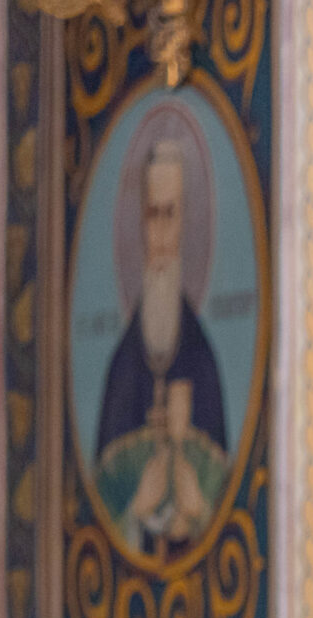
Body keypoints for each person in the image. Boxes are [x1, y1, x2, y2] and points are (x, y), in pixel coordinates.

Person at [95, 141, 229, 473]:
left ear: (183, 222)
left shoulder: (203, 360)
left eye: (170, 214)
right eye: (153, 215)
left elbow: (217, 474)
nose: (161, 232)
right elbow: (106, 479)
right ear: (142, 223)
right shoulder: (122, 366)